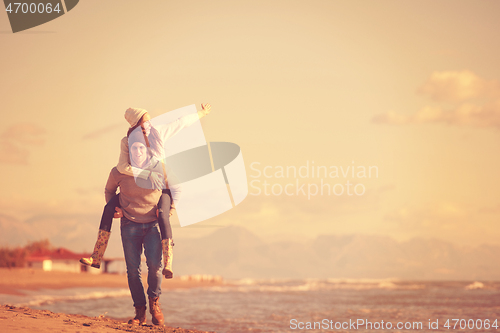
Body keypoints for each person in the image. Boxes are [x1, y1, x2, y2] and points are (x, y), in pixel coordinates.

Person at [80, 104, 211, 278]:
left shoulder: (158, 132)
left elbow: (181, 123)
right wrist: (144, 173)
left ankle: (168, 262)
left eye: (150, 121)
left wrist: (201, 113)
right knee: (108, 208)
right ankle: (96, 256)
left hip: (159, 187)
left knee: (163, 214)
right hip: (135, 185)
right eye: (145, 123)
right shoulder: (127, 142)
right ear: (135, 126)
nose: (149, 124)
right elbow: (121, 166)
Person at [105, 129, 168, 325]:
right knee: (133, 270)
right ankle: (140, 311)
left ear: (147, 150)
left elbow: (171, 189)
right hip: (129, 224)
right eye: (134, 148)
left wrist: (168, 212)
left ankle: (154, 303)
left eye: (141, 147)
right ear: (128, 149)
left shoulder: (159, 169)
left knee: (155, 267)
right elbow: (108, 190)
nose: (138, 151)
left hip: (153, 226)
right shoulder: (119, 171)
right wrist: (115, 208)